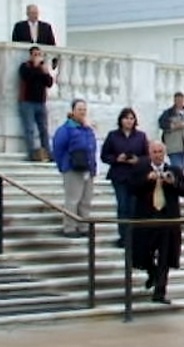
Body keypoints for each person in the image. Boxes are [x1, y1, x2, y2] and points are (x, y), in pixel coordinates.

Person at [128, 141, 184, 304]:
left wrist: (173, 183)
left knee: (165, 256)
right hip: (147, 218)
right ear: (149, 154)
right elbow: (132, 189)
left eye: (160, 152)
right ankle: (152, 273)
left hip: (167, 220)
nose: (157, 155)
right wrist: (147, 179)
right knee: (143, 253)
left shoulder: (174, 170)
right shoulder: (141, 169)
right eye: (154, 152)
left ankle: (160, 292)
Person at [101, 107, 148, 248]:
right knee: (123, 206)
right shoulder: (113, 136)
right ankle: (123, 236)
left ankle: (133, 236)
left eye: (131, 118)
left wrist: (137, 160)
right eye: (126, 118)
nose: (129, 121)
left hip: (135, 177)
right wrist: (117, 158)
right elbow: (104, 155)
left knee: (134, 207)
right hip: (119, 175)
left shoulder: (141, 136)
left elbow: (147, 156)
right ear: (121, 120)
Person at [52, 99, 96, 238]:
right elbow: (58, 149)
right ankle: (69, 227)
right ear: (73, 111)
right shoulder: (65, 129)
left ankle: (83, 226)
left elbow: (93, 149)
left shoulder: (88, 129)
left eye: (84, 109)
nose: (82, 112)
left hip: (87, 169)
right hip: (72, 168)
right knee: (72, 200)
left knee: (86, 200)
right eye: (79, 109)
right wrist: (64, 165)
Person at [19, 46, 53, 162]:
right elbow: (28, 77)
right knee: (29, 129)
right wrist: (36, 67)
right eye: (35, 54)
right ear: (31, 56)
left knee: (43, 129)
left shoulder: (43, 68)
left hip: (41, 102)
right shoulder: (25, 67)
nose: (37, 56)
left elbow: (49, 83)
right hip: (27, 102)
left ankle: (48, 152)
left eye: (39, 54)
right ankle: (31, 153)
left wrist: (45, 72)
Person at [158, 91, 184, 170]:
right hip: (173, 147)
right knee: (177, 169)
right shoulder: (168, 113)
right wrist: (176, 126)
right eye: (178, 100)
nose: (180, 102)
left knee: (182, 169)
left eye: (181, 100)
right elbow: (162, 124)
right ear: (174, 100)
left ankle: (179, 182)